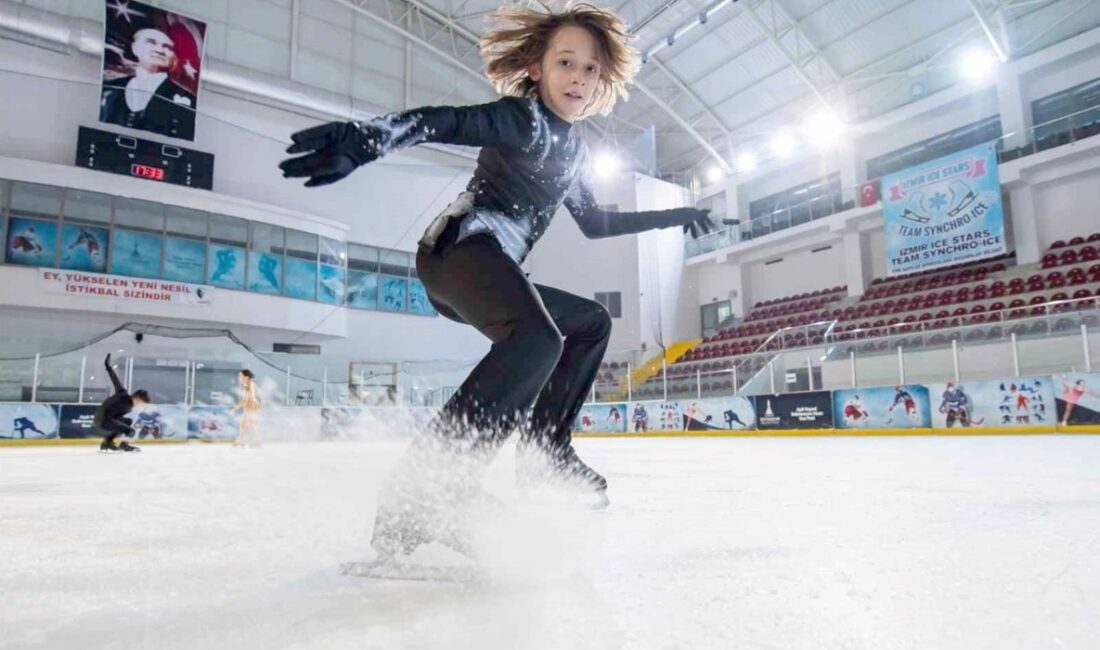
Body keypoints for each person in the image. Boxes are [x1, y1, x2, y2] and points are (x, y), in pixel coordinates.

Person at [280, 4, 719, 559]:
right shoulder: (522, 119)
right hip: (457, 252)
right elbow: (443, 120)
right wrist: (368, 140)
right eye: (566, 63)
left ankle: (543, 454)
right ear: (536, 68)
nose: (579, 79)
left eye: (589, 69)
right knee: (539, 340)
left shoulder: (575, 149)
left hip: (489, 268)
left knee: (588, 324)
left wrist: (675, 215)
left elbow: (597, 223)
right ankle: (423, 493)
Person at [100, 27, 197, 140]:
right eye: (151, 42)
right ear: (135, 48)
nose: (159, 50)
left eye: (167, 47)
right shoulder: (108, 89)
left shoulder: (189, 102)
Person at [94, 354, 149, 452]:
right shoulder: (122, 394)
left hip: (106, 418)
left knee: (128, 422)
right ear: (138, 399)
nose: (140, 406)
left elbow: (115, 381)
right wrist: (108, 367)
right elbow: (115, 380)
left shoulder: (127, 401)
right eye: (142, 403)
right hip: (102, 419)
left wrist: (108, 367)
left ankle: (107, 442)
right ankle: (124, 445)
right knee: (130, 431)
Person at [231, 369, 261, 447]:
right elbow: (244, 399)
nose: (239, 377)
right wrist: (236, 408)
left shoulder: (251, 384)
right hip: (248, 407)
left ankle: (254, 441)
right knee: (244, 424)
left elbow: (252, 393)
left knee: (250, 424)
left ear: (246, 377)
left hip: (252, 407)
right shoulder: (246, 385)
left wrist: (253, 398)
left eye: (240, 376)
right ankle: (242, 440)